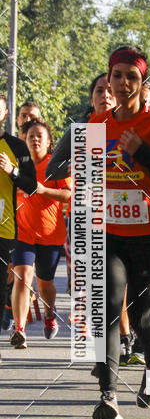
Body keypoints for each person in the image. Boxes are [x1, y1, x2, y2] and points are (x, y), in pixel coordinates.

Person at [47, 45, 150, 419]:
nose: (124, 82)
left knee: (142, 318)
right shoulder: (95, 126)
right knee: (108, 308)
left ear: (142, 84)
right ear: (108, 79)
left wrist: (142, 153)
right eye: (118, 75)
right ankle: (108, 396)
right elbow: (54, 172)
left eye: (133, 77)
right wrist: (75, 159)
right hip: (108, 233)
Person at [10, 120, 71, 347]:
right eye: (30, 136)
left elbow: (68, 195)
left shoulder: (55, 166)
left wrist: (43, 190)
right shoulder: (17, 165)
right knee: (23, 276)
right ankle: (19, 329)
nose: (35, 139)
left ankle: (49, 315)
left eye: (39, 136)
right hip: (22, 233)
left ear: (48, 142)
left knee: (45, 285)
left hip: (50, 234)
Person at [0, 95, 37, 361]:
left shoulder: (16, 146)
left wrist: (12, 171)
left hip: (4, 228)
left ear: (4, 114)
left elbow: (31, 185)